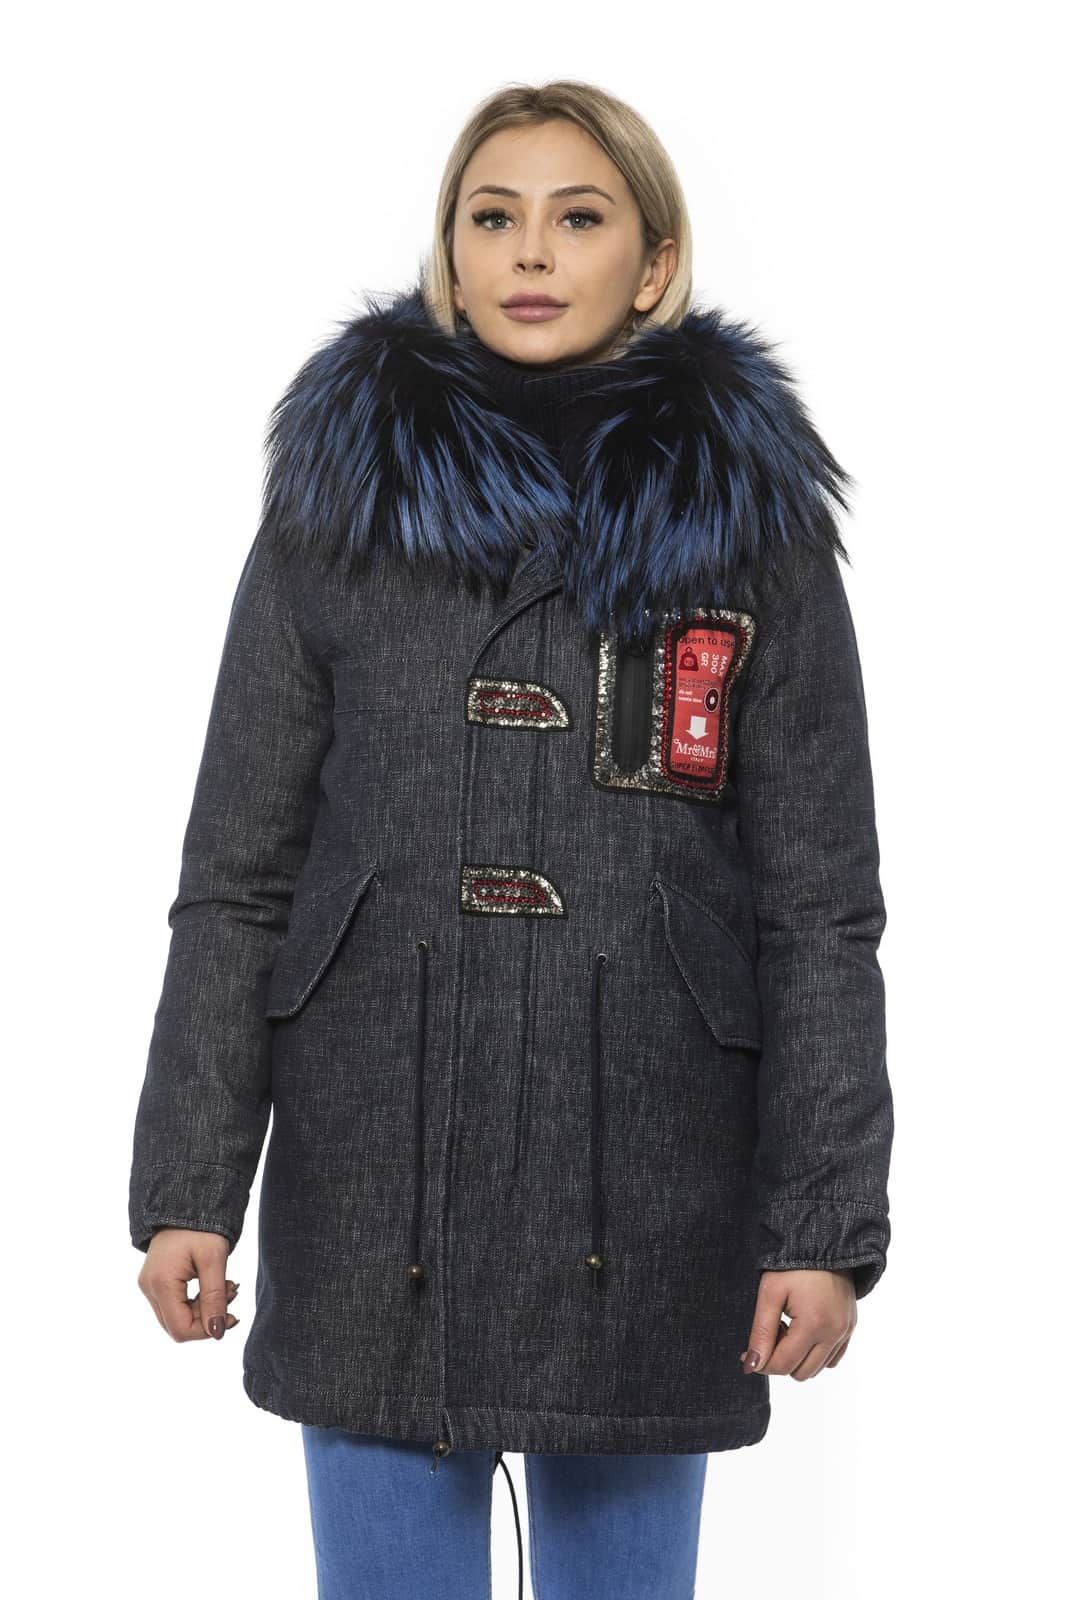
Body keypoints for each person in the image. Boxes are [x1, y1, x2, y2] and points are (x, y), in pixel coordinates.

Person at [128, 79, 894, 1599]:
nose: (532, 251)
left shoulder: (748, 526)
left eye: (579, 216)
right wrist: (187, 1186)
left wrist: (822, 1220)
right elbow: (238, 880)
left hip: (651, 1177)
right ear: (453, 252)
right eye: (494, 217)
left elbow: (819, 909)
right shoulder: (340, 507)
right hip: (372, 1169)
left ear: (653, 264)